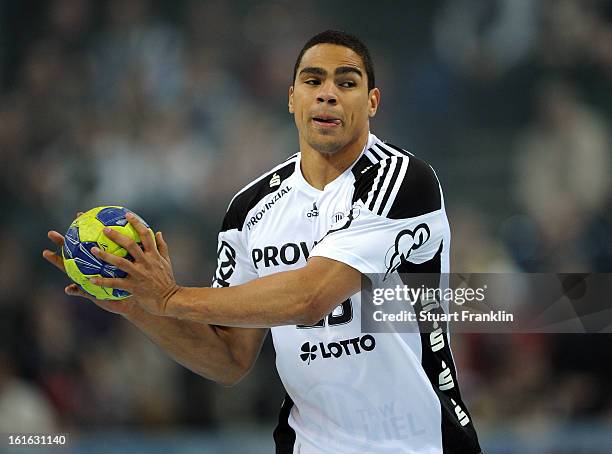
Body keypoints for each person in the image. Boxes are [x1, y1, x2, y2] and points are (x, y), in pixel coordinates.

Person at [44, 30, 481, 454]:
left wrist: (172, 298)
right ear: (292, 98)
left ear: (372, 102)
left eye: (346, 83)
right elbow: (228, 359)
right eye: (313, 81)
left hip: (420, 443)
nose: (327, 94)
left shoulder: (403, 182)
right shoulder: (250, 210)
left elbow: (312, 297)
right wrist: (138, 306)